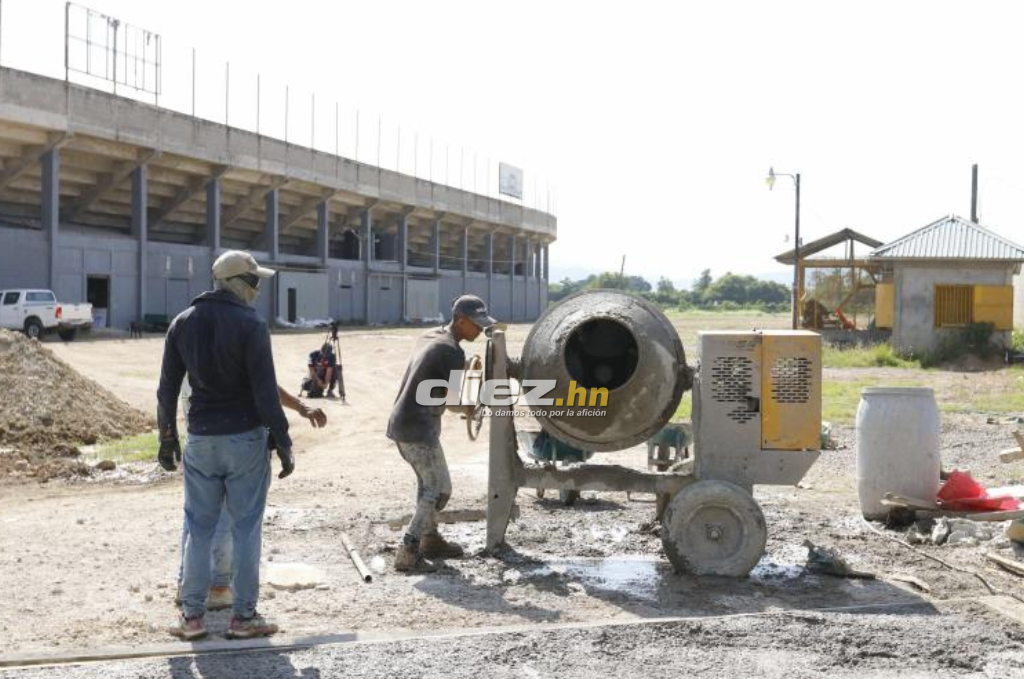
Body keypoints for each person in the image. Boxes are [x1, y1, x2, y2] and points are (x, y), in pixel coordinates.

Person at [156, 249, 293, 641]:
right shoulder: (252, 324)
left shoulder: (182, 323)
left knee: (199, 528)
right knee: (246, 528)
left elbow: (166, 389)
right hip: (245, 440)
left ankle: (192, 618)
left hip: (201, 439)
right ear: (235, 283)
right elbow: (265, 392)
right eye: (253, 280)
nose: (257, 288)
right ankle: (244, 618)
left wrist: (167, 437)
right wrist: (283, 440)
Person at [175, 386, 326, 611]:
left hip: (198, 435)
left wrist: (167, 433)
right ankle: (219, 587)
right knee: (231, 517)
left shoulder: (185, 361)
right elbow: (262, 381)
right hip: (234, 433)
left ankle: (187, 586)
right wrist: (288, 428)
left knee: (196, 516)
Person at [387, 294, 495, 572]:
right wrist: (479, 399)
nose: (480, 329)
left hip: (403, 423)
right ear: (460, 320)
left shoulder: (431, 336)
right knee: (439, 489)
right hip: (418, 429)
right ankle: (408, 550)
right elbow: (455, 402)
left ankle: (430, 540)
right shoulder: (451, 351)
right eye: (476, 323)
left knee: (427, 485)